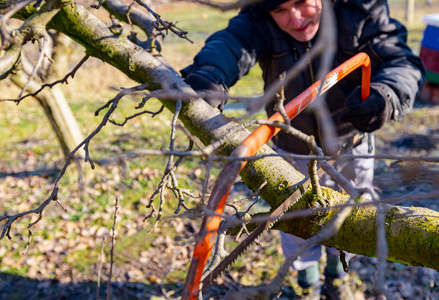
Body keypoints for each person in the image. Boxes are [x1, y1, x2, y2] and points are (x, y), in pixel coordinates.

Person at [181, 0, 425, 298]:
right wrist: (208, 76)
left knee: (350, 216)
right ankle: (307, 284)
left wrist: (387, 95)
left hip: (351, 146)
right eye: (279, 9)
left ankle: (337, 278)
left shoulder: (360, 10)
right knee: (297, 221)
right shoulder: (259, 20)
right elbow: (230, 44)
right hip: (292, 151)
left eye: (301, 2)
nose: (294, 18)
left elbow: (400, 61)